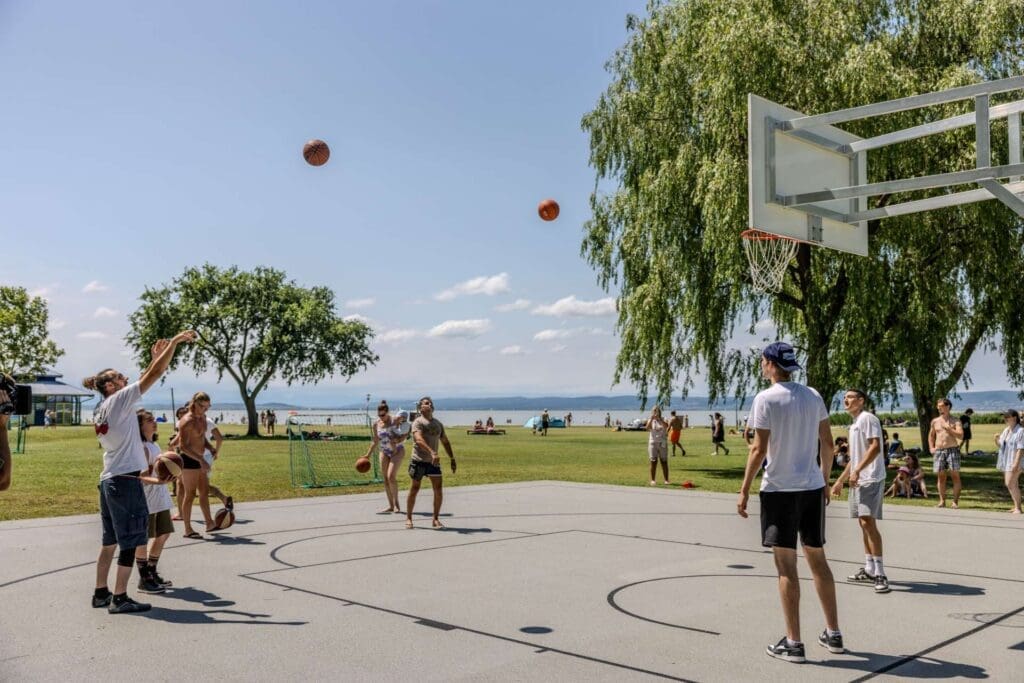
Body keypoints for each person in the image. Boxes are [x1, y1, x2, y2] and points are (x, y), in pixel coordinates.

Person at [737, 342, 842, 663]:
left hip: (780, 490)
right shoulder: (813, 395)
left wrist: (743, 489)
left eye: (762, 362)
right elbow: (827, 443)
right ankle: (833, 633)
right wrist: (824, 481)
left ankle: (794, 642)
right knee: (818, 560)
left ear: (770, 364)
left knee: (786, 567)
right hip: (811, 488)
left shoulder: (765, 398)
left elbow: (758, 448)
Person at [84, 329, 195, 614]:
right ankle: (120, 597)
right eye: (119, 376)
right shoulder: (118, 400)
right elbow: (153, 377)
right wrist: (174, 343)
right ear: (110, 386)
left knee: (109, 541)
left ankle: (100, 592)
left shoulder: (103, 407)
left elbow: (147, 375)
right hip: (125, 481)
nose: (124, 378)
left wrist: (155, 359)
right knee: (132, 541)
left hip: (109, 479)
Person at [830, 389, 890, 594]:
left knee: (867, 521)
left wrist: (857, 470)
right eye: (844, 398)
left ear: (861, 400)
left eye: (850, 397)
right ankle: (869, 568)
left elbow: (875, 448)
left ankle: (880, 572)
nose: (846, 400)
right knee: (863, 523)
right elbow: (855, 458)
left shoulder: (868, 418)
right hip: (858, 479)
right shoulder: (854, 424)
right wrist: (840, 481)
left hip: (871, 478)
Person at [135, 410, 173, 594]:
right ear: (140, 426)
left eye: (153, 419)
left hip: (161, 497)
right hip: (147, 499)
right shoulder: (141, 447)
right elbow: (141, 477)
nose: (153, 422)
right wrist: (160, 480)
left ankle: (151, 569)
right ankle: (144, 578)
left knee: (164, 533)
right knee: (144, 538)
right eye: (149, 420)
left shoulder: (154, 445)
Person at [407, 397, 456, 529]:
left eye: (430, 403)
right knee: (415, 488)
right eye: (426, 403)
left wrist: (452, 458)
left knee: (438, 489)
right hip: (419, 460)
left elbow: (445, 441)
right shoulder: (417, 422)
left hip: (433, 462)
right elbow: (419, 440)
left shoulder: (438, 424)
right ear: (420, 408)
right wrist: (432, 452)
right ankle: (409, 518)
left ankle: (435, 519)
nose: (429, 404)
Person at [175, 392, 217, 538]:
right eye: (203, 406)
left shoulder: (203, 418)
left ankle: (209, 523)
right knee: (190, 494)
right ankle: (188, 529)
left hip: (200, 458)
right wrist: (201, 460)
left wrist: (210, 447)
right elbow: (183, 446)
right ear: (194, 403)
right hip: (189, 460)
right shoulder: (187, 421)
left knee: (204, 492)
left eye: (208, 407)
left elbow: (201, 438)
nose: (205, 410)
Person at [365, 400, 406, 514]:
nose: (381, 417)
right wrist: (367, 455)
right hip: (384, 452)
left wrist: (398, 439)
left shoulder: (395, 420)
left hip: (397, 451)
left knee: (391, 476)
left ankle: (397, 505)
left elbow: (405, 433)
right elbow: (375, 441)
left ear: (388, 412)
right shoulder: (376, 424)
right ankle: (391, 506)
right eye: (379, 415)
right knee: (385, 479)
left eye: (383, 415)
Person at [929, 398, 964, 509]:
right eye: (938, 406)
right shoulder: (935, 421)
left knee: (955, 476)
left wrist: (950, 430)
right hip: (939, 450)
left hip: (952, 450)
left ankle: (955, 502)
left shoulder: (956, 421)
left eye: (941, 406)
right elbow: (931, 436)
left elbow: (960, 435)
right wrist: (931, 447)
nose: (939, 408)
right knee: (941, 477)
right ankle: (942, 501)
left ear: (948, 406)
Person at [995, 409, 1024, 514]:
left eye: (1007, 417)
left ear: (1014, 418)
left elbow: (1021, 449)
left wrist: (1016, 463)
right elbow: (1001, 445)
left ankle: (1018, 508)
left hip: (1015, 461)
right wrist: (996, 440)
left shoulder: (1020, 431)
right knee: (1013, 484)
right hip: (1006, 460)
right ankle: (1016, 506)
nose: (1005, 419)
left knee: (1010, 483)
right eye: (1005, 417)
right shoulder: (1007, 430)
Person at [646, 406, 670, 485]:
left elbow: (667, 426)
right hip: (653, 442)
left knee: (664, 461)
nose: (655, 413)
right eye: (654, 411)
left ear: (660, 412)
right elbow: (647, 428)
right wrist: (652, 419)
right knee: (653, 461)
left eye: (657, 411)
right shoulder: (651, 420)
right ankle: (653, 480)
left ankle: (666, 480)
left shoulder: (664, 419)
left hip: (662, 442)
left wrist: (660, 419)